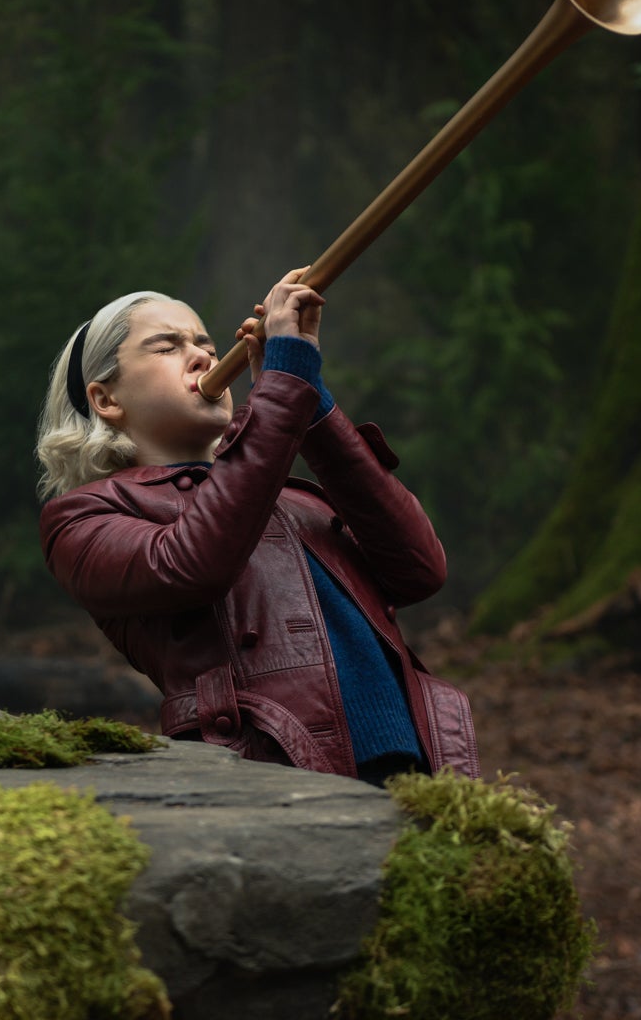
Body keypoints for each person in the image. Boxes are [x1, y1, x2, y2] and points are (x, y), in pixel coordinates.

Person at [35, 269, 477, 784]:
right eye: (166, 347)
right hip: (268, 779)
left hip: (415, 769)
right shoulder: (83, 516)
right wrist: (282, 389)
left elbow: (420, 569)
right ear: (106, 400)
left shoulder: (292, 497)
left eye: (205, 341)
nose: (202, 354)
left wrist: (308, 397)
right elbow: (193, 563)